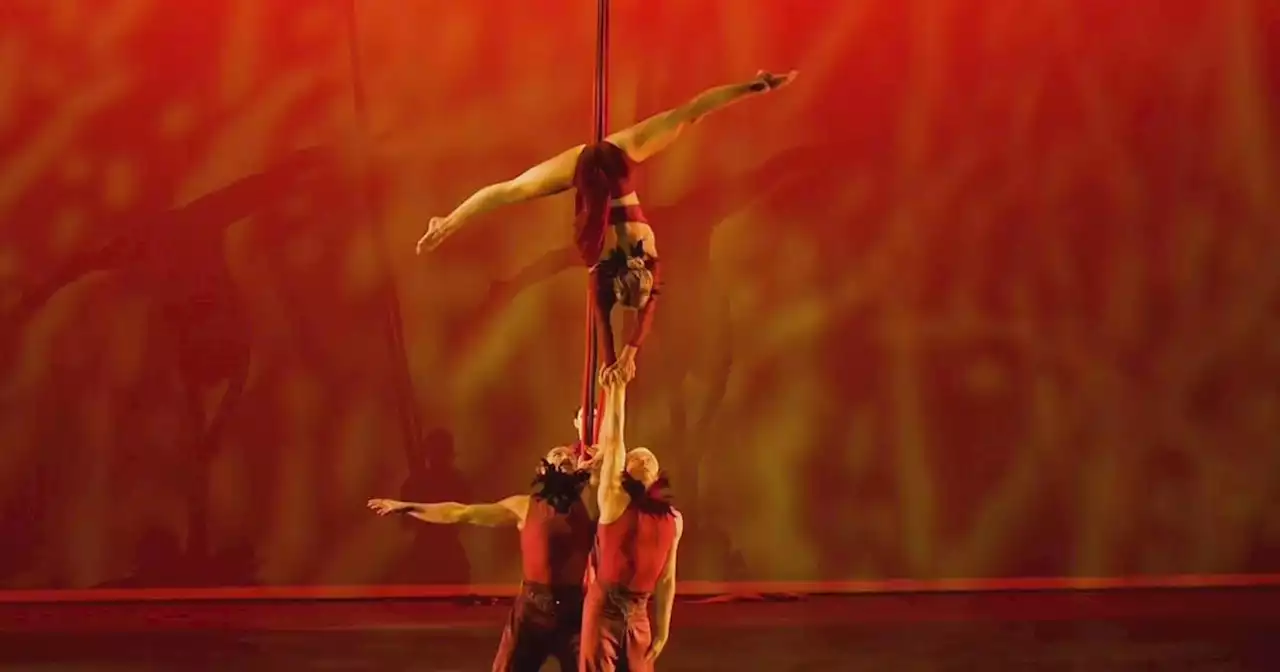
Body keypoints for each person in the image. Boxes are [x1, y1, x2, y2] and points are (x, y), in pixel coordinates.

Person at [416, 70, 799, 384]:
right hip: (618, 158)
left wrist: (615, 361)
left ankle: (447, 221)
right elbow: (642, 318)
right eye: (646, 284)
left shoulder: (603, 276)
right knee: (686, 116)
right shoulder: (650, 263)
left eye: (636, 286)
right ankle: (757, 84)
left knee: (514, 189)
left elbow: (604, 321)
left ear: (623, 282)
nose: (644, 280)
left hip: (585, 170)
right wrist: (752, 87)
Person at [368, 446, 595, 672]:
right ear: (544, 468)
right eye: (557, 454)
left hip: (573, 611)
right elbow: (460, 512)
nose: (564, 456)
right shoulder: (524, 506)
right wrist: (409, 507)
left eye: (570, 455)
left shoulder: (592, 504)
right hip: (532, 611)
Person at [579, 370, 683, 671]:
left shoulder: (673, 519)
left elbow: (666, 578)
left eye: (651, 458)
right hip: (604, 611)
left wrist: (663, 629)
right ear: (626, 469)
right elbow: (614, 442)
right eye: (638, 457)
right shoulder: (613, 499)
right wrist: (617, 391)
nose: (646, 459)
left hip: (638, 612)